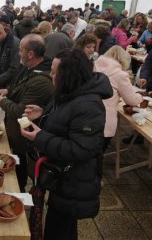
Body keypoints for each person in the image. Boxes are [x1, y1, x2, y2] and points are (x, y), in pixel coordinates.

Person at [21, 49, 112, 240]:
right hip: (62, 176)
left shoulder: (88, 105)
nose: (51, 76)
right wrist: (42, 112)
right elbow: (62, 120)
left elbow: (81, 149)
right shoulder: (70, 90)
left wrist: (40, 137)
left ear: (68, 75)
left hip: (74, 181)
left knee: (61, 229)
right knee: (59, 225)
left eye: (55, 72)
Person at [0, 34, 54, 192]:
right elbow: (19, 86)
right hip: (16, 133)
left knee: (20, 166)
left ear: (31, 54)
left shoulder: (41, 80)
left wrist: (2, 102)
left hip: (24, 138)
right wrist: (8, 90)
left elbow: (22, 111)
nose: (18, 53)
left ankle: (18, 192)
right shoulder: (28, 68)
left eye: (21, 50)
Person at [94, 45, 143, 150]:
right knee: (97, 155)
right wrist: (141, 96)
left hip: (87, 114)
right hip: (104, 119)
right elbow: (132, 100)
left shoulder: (94, 66)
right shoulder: (120, 74)